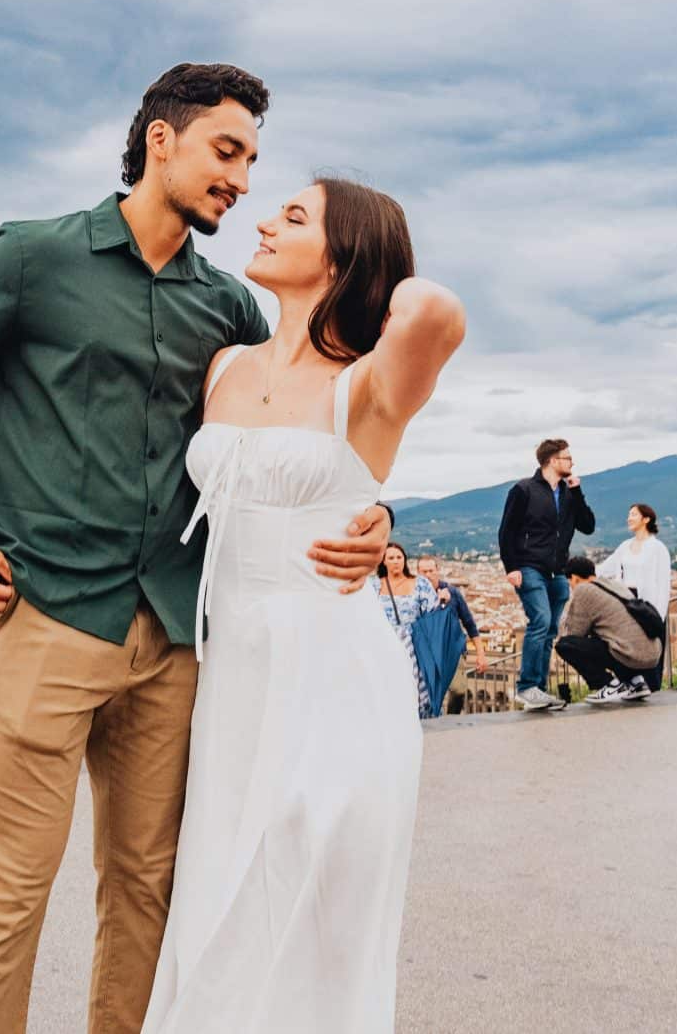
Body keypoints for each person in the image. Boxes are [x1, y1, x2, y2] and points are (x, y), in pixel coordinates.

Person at [0, 64, 394, 1034]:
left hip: (174, 639)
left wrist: (373, 516)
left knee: (148, 893)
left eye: (251, 159)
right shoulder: (35, 256)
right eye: (225, 150)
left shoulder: (229, 308)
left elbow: (306, 416)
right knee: (2, 899)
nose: (241, 179)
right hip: (46, 618)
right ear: (160, 140)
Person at [145, 176, 466, 1034]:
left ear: (342, 256)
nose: (263, 219)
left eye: (294, 217)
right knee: (220, 899)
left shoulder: (367, 386)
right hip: (234, 672)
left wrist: (380, 270)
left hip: (333, 668)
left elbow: (436, 312)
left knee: (309, 900)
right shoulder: (223, 365)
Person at [498, 438, 596, 710]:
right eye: (567, 458)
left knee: (550, 630)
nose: (572, 462)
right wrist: (512, 567)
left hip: (558, 571)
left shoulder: (567, 494)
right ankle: (527, 686)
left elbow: (588, 526)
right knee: (540, 620)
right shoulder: (523, 490)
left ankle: (538, 691)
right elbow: (507, 531)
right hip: (530, 567)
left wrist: (578, 493)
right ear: (552, 461)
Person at [553, 555, 661, 704]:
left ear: (574, 578)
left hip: (631, 653)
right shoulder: (613, 584)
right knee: (608, 638)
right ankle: (636, 683)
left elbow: (574, 634)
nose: (571, 586)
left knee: (565, 645)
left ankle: (608, 685)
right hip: (652, 653)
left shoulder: (584, 590)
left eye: (569, 582)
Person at [370, 543, 451, 718]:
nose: (396, 561)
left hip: (415, 647)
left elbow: (433, 614)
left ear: (405, 560)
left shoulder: (420, 583)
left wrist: (443, 602)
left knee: (416, 689)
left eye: (399, 557)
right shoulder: (374, 586)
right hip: (384, 645)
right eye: (391, 558)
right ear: (383, 561)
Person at [597, 502, 671, 690]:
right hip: (628, 602)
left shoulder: (657, 548)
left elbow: (663, 583)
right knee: (630, 644)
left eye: (633, 514)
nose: (629, 518)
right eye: (629, 514)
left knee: (651, 646)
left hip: (649, 604)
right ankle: (632, 684)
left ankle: (652, 686)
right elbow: (605, 569)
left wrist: (659, 614)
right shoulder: (624, 546)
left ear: (646, 519)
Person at [416, 554, 487, 678]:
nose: (428, 575)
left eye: (431, 571)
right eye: (424, 572)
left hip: (452, 651)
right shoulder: (414, 595)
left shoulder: (452, 592)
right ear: (418, 573)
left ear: (437, 571)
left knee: (457, 692)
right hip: (426, 653)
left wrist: (480, 653)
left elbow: (469, 623)